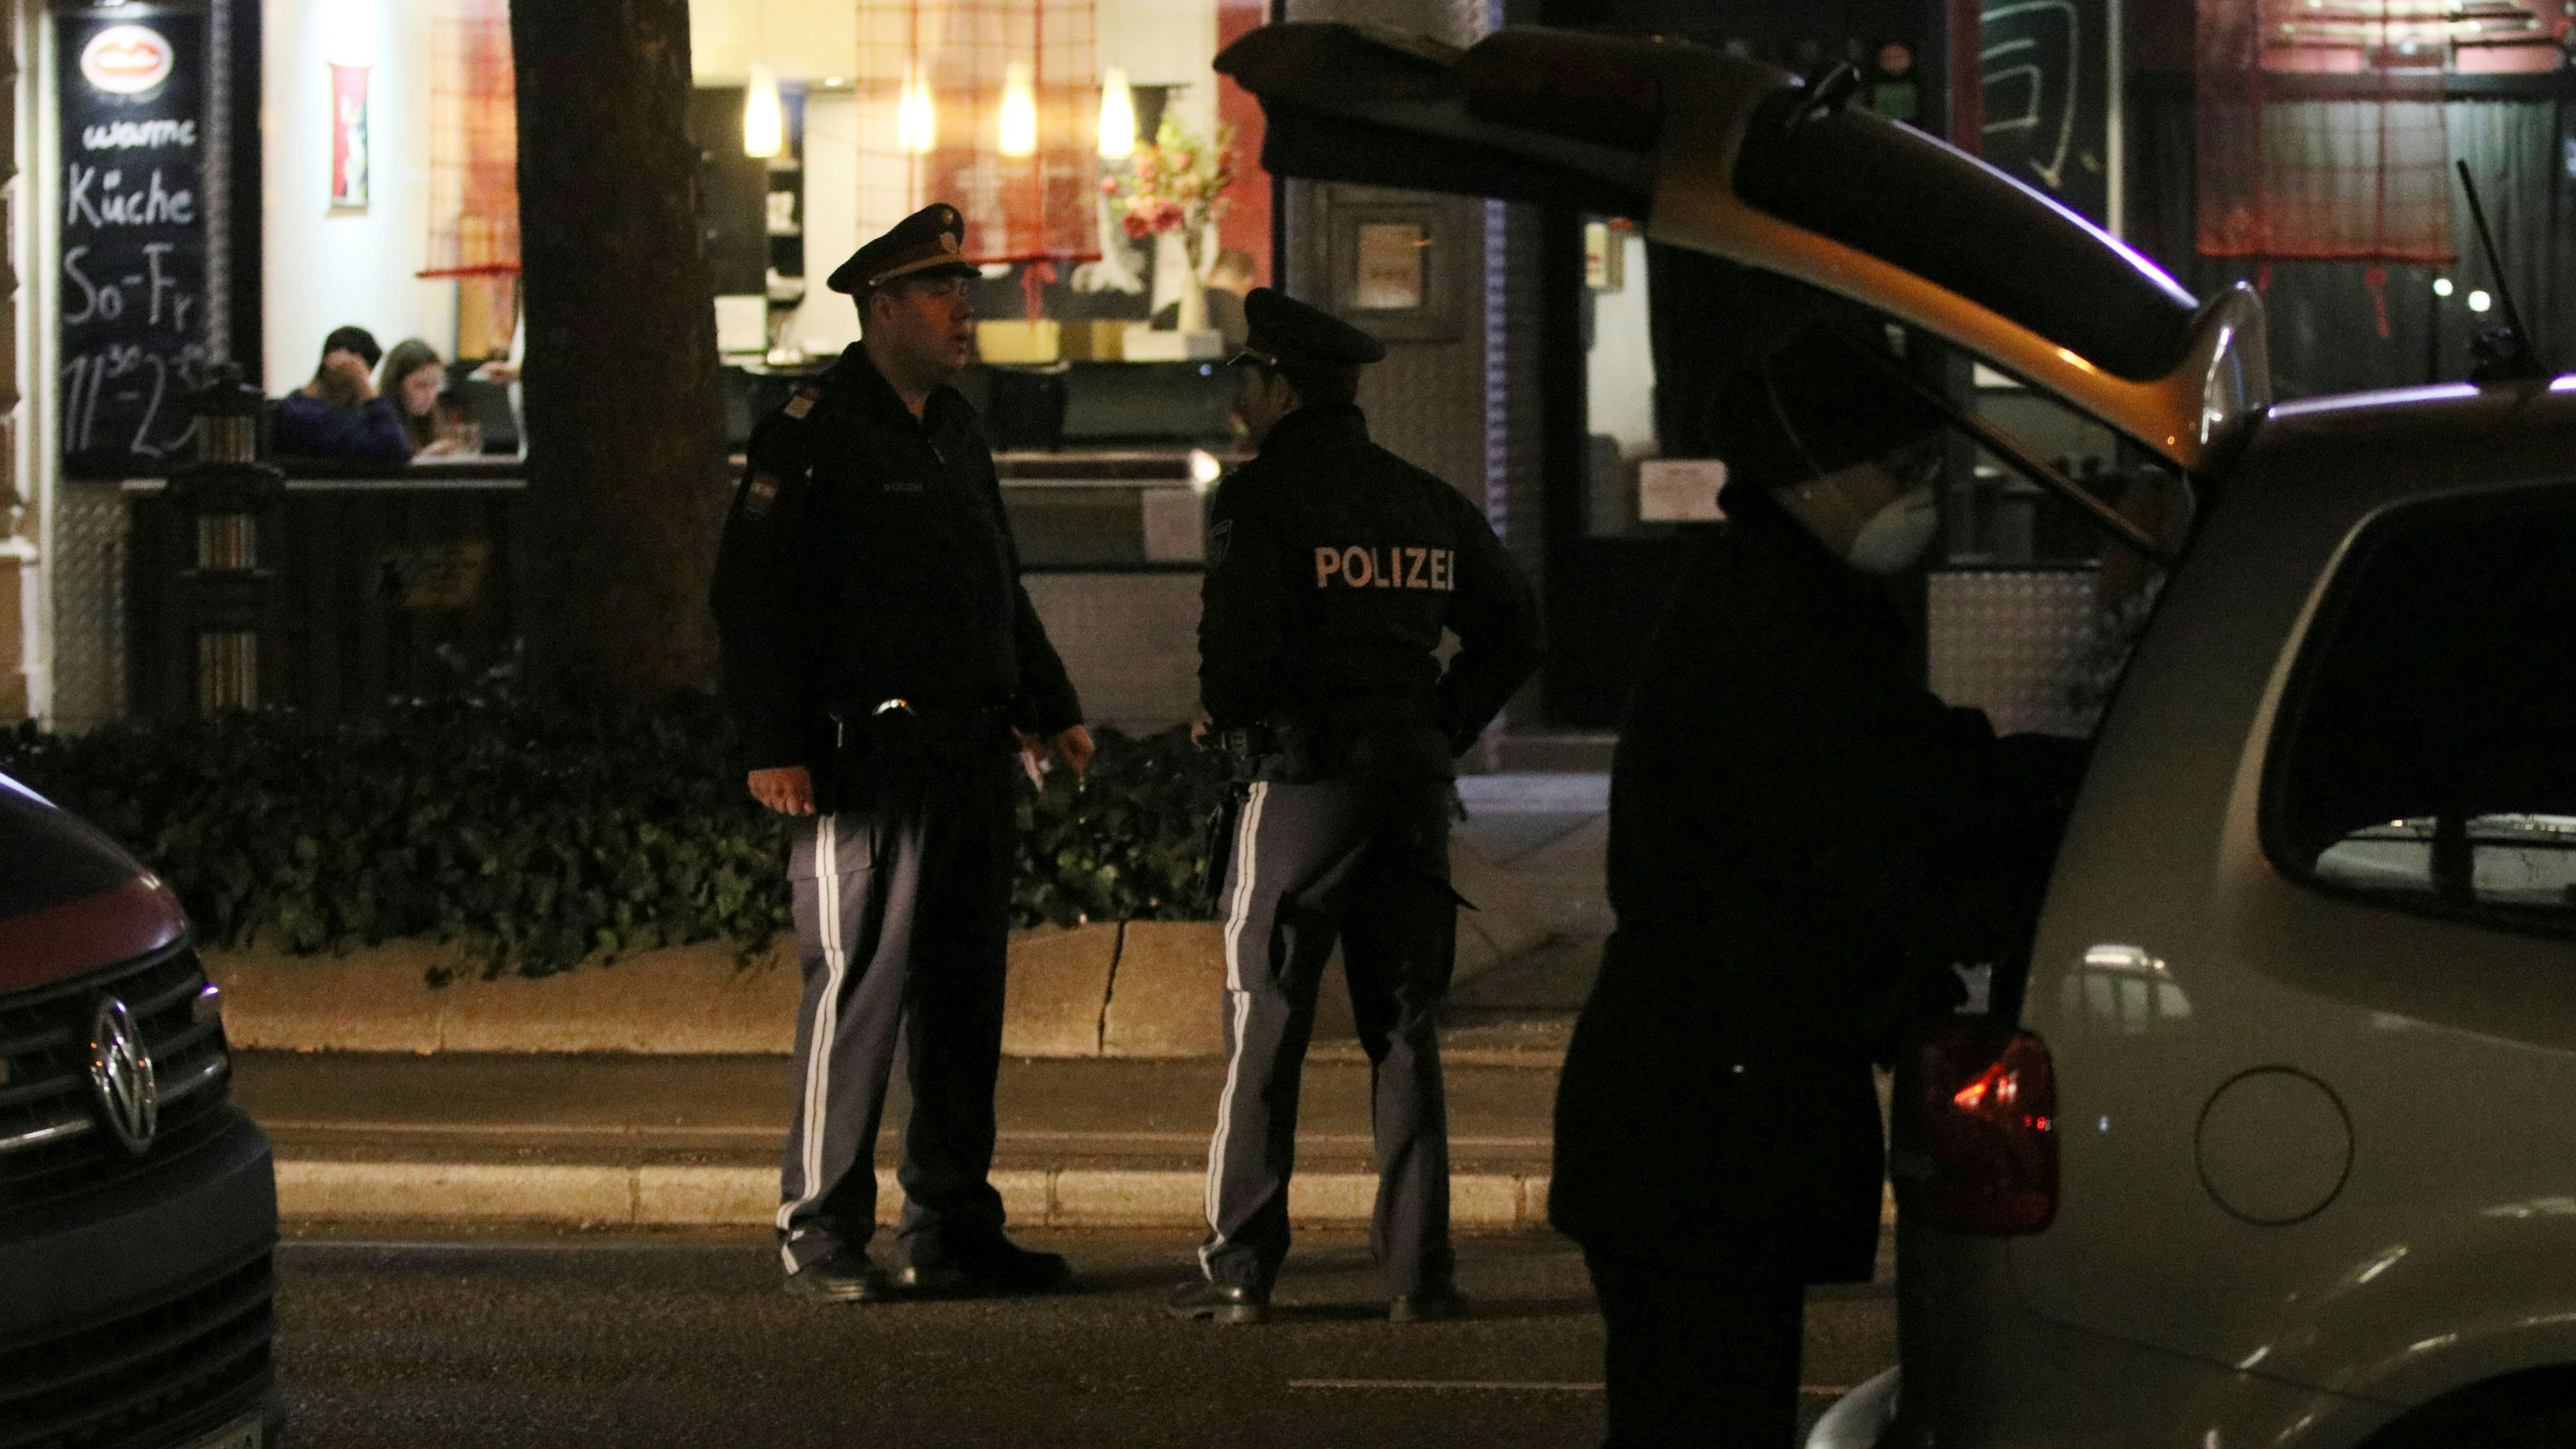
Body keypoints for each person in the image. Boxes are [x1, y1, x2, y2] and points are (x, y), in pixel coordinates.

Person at [1548, 327, 2082, 1446]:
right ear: (1818, 473)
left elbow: (1922, 779)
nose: (1919, 494)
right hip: (1704, 1123)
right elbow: (1876, 834)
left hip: (1701, 1112)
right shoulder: (1777, 634)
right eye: (1900, 469)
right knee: (1704, 1415)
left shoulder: (1790, 607)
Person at [710, 202, 1096, 1304]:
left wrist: (1049, 704)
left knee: (965, 1000)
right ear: (881, 309)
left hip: (968, 754)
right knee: (858, 995)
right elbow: (753, 596)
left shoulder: (954, 428)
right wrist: (773, 742)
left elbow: (994, 584)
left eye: (962, 290)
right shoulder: (815, 426)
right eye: (940, 293)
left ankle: (952, 1223)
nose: (963, 309)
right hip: (862, 763)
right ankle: (819, 1229)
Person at [1168, 288, 1543, 1325]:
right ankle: (1422, 1273)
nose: (1241, 395)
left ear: (1282, 386)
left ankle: (1241, 1265)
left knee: (1266, 1021)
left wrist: (1231, 717)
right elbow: (1517, 625)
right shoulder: (1421, 498)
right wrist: (1439, 722)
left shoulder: (1261, 498)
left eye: (1248, 377)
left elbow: (1235, 661)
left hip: (1300, 787)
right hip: (1410, 791)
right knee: (1404, 1026)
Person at [274, 325, 412, 462]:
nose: (356, 391)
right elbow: (394, 448)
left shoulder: (342, 413)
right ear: (334, 366)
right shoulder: (301, 416)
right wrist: (364, 388)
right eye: (356, 378)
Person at [378, 338, 462, 458]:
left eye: (435, 385)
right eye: (421, 385)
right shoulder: (382, 426)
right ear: (396, 385)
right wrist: (425, 458)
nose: (430, 394)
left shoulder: (432, 421)